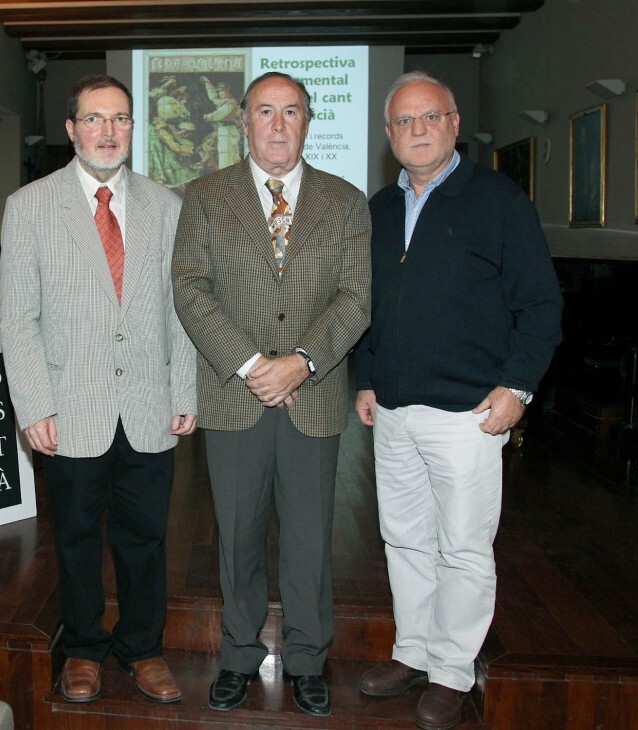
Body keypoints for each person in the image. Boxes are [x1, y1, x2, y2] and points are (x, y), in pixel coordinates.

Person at [354, 71, 562, 730]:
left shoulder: (499, 200)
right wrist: (366, 376)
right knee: (404, 540)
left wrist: (518, 387)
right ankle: (413, 653)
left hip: (470, 413)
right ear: (389, 134)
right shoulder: (379, 209)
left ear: (453, 124)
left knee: (464, 548)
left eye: (429, 117)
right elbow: (371, 305)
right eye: (404, 121)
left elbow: (541, 304)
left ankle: (451, 670)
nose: (416, 130)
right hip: (393, 409)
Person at [172, 71, 371, 717]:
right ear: (243, 122)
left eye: (291, 111)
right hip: (235, 397)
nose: (278, 125)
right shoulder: (204, 196)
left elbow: (356, 297)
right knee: (237, 539)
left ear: (308, 121)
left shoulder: (345, 200)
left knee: (310, 542)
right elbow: (190, 288)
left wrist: (301, 363)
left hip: (314, 396)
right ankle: (238, 656)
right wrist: (254, 364)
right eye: (265, 111)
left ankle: (308, 660)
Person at [0, 74, 197, 706]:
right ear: (71, 129)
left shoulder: (166, 206)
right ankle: (83, 649)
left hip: (147, 406)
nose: (108, 131)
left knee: (146, 540)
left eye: (120, 119)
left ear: (134, 128)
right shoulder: (29, 206)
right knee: (77, 538)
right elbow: (18, 319)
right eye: (94, 119)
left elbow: (181, 310)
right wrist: (34, 405)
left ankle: (143, 648)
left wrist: (183, 391)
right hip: (70, 409)